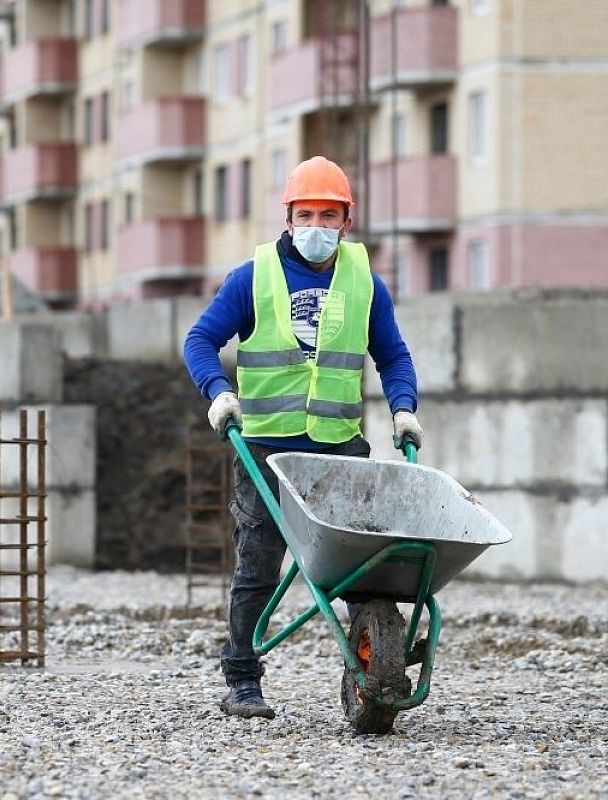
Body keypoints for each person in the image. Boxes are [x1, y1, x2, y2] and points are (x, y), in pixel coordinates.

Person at [183, 156, 424, 719]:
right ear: (288, 218)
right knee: (259, 566)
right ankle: (242, 678)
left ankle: (374, 652)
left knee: (363, 566)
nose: (317, 225)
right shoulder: (254, 276)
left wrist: (404, 409)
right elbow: (200, 339)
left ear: (347, 221)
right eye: (306, 213)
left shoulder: (364, 281)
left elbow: (392, 355)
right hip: (267, 447)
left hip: (340, 447)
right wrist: (218, 392)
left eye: (329, 214)